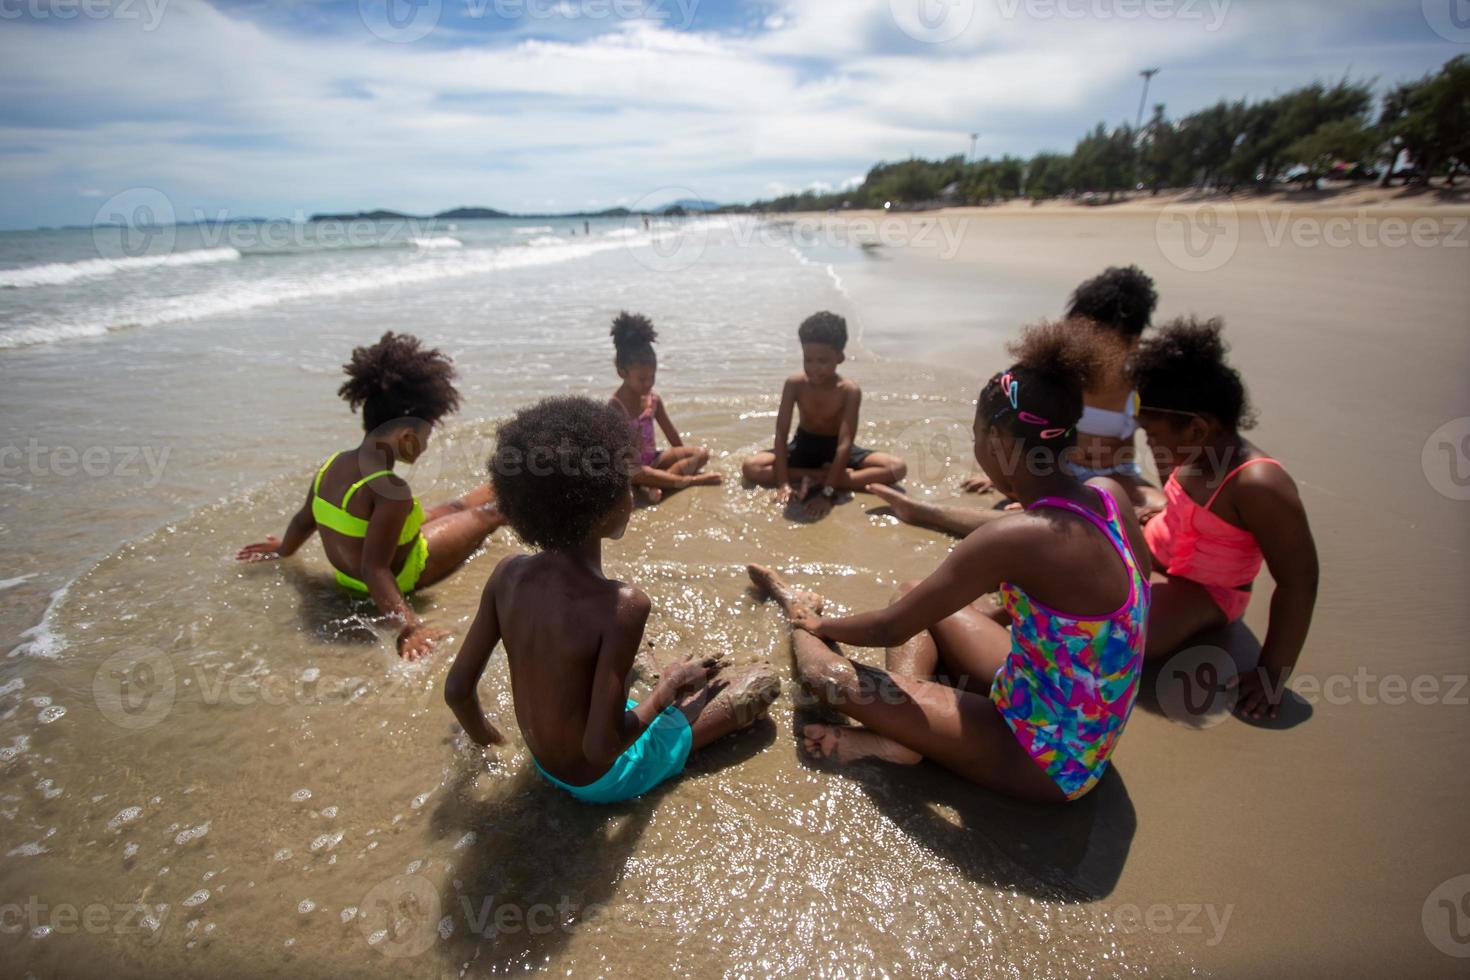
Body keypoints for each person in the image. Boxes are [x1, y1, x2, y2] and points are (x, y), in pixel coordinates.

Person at [747, 322, 1150, 802]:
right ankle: (904, 736)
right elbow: (1100, 620)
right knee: (916, 589)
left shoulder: (1014, 536)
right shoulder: (1110, 497)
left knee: (827, 677)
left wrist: (822, 623)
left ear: (999, 442)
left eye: (978, 435)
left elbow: (888, 631)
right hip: (1082, 723)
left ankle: (794, 607)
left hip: (1045, 762)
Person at [445, 397, 780, 804]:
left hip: (544, 763)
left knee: (631, 686)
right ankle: (677, 714)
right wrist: (669, 689)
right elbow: (602, 748)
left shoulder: (507, 573)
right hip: (602, 780)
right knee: (761, 685)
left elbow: (458, 690)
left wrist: (494, 745)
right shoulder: (622, 605)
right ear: (603, 505)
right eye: (625, 482)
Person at [236, 332, 506, 660]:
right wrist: (409, 628)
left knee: (454, 506)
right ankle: (538, 489)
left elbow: (304, 520)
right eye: (427, 434)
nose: (427, 442)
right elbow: (374, 569)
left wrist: (283, 548)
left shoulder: (333, 465)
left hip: (356, 570)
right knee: (489, 514)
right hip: (402, 575)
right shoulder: (389, 490)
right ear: (407, 437)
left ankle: (515, 477)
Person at [874, 267, 1165, 535]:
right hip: (1056, 470)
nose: (1091, 346)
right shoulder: (1057, 379)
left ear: (1132, 342)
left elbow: (1140, 448)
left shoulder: (1138, 386)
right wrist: (1001, 471)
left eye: (1106, 340)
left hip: (1114, 476)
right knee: (1061, 516)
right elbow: (1007, 424)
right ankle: (929, 512)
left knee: (1162, 510)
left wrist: (1119, 466)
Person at [1131, 318, 1319, 719]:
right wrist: (1167, 511)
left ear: (1197, 428)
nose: (1148, 444)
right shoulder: (1183, 449)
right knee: (1058, 533)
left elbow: (1299, 582)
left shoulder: (1259, 485)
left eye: (1153, 434)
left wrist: (1272, 673)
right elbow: (1180, 498)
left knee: (1130, 641)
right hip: (1159, 542)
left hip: (1206, 589)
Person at [741, 311, 907, 519]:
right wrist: (782, 483)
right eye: (808, 360)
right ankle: (824, 476)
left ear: (840, 357)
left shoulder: (848, 390)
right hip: (803, 445)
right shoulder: (794, 384)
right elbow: (781, 434)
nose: (814, 368)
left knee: (897, 468)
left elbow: (845, 443)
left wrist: (828, 493)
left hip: (836, 448)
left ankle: (823, 479)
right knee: (751, 466)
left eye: (822, 361)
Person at [607, 312, 722, 504]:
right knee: (635, 470)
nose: (649, 383)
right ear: (622, 373)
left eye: (652, 376)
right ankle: (690, 481)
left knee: (701, 454)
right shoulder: (616, 406)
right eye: (642, 379)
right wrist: (690, 472)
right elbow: (616, 454)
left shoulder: (654, 400)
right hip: (633, 469)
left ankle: (656, 484)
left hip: (654, 459)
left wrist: (684, 459)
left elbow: (672, 435)